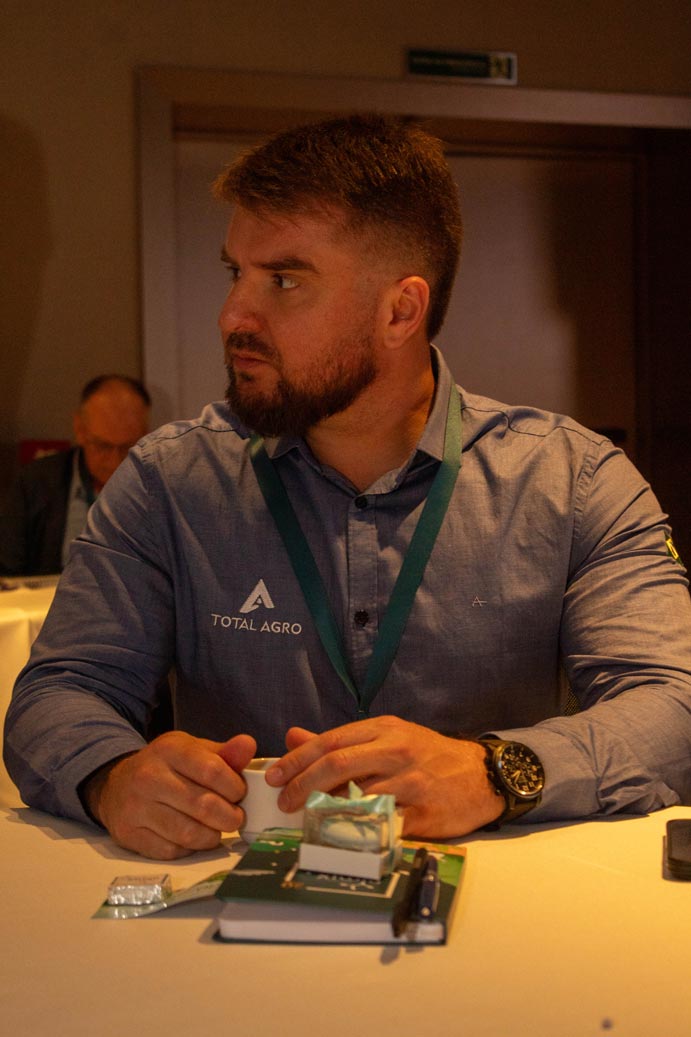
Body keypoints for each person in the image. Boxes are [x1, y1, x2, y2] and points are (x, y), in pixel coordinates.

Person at [5, 115, 691, 862]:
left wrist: (495, 771)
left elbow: (673, 705)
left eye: (284, 280)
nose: (233, 316)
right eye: (235, 273)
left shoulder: (573, 481)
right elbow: (58, 691)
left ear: (400, 311)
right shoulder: (169, 481)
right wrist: (111, 775)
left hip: (500, 913)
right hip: (227, 911)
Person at [0, 375, 150, 575]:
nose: (115, 462)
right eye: (103, 446)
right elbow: (8, 570)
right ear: (80, 431)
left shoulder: (159, 486)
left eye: (127, 447)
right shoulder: (35, 482)